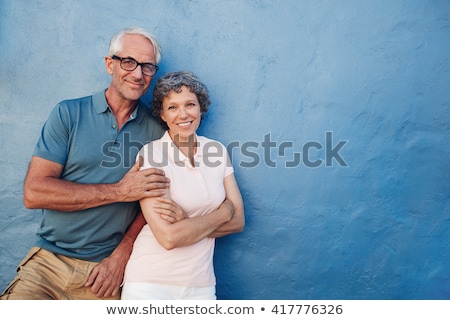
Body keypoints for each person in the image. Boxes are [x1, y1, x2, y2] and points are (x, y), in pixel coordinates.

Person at [0, 27, 192, 300]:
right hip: (48, 263)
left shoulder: (156, 131)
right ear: (109, 64)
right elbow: (34, 193)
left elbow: (155, 200)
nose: (138, 74)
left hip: (105, 272)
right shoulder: (69, 113)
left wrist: (122, 255)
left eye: (148, 67)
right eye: (128, 62)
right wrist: (120, 191)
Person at [121, 71, 245, 300]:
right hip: (149, 285)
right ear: (162, 114)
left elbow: (238, 222)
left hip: (201, 285)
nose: (183, 114)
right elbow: (169, 237)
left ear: (200, 108)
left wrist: (187, 224)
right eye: (173, 107)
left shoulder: (217, 151)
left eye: (190, 104)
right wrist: (224, 211)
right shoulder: (152, 155)